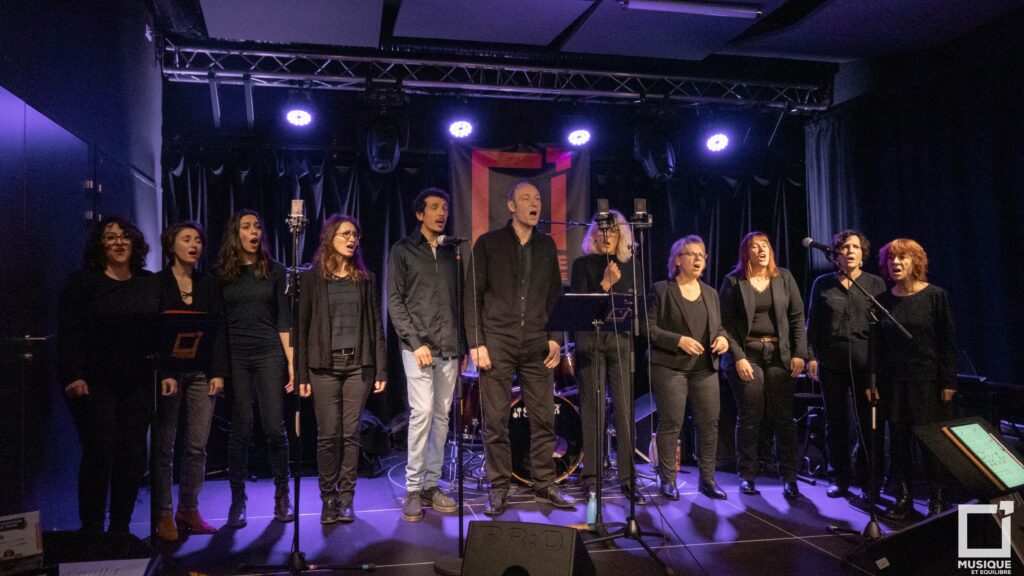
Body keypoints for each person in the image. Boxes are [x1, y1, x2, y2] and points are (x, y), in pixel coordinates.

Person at [465, 181, 576, 515]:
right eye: (526, 198)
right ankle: (499, 486)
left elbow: (556, 296)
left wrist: (556, 337)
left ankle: (545, 484)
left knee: (543, 418)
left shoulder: (545, 246)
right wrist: (476, 343)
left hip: (537, 343)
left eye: (538, 198)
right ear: (510, 205)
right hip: (497, 341)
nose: (534, 203)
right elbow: (472, 295)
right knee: (496, 420)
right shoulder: (488, 243)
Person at [58, 217, 154, 533]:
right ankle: (92, 530)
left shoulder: (147, 282)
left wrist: (164, 372)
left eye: (125, 235)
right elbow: (69, 334)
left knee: (132, 454)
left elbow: (158, 334)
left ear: (135, 243)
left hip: (137, 382)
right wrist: (73, 375)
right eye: (110, 236)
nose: (118, 241)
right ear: (100, 245)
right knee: (99, 451)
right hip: (94, 382)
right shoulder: (82, 283)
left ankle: (121, 530)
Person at [297, 214, 387, 524]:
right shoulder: (312, 278)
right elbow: (302, 326)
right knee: (328, 435)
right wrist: (300, 373)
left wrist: (381, 369)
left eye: (355, 235)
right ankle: (328, 499)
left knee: (351, 434)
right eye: (345, 234)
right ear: (329, 239)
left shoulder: (365, 278)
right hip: (323, 367)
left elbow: (376, 324)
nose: (352, 239)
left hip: (357, 366)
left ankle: (347, 498)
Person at [150, 221, 228, 540]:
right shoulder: (157, 284)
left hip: (200, 373)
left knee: (196, 446)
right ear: (172, 246)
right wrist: (164, 373)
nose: (194, 244)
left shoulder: (208, 283)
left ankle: (189, 509)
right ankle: (163, 514)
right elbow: (153, 334)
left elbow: (218, 330)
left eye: (198, 239)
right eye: (186, 239)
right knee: (164, 447)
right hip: (169, 374)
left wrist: (218, 373)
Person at [388, 188, 461, 522]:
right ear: (420, 214)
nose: (441, 213)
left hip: (449, 347)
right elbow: (395, 301)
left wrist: (465, 344)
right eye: (434, 207)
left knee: (442, 416)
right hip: (417, 347)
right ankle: (414, 488)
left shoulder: (451, 252)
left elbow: (460, 300)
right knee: (423, 413)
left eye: (444, 208)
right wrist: (415, 341)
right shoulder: (403, 250)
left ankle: (432, 484)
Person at [871, 238, 957, 519]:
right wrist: (872, 382)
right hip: (893, 383)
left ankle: (938, 499)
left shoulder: (935, 296)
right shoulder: (883, 301)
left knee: (931, 444)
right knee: (898, 442)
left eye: (902, 258)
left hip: (927, 382)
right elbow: (876, 347)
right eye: (891, 259)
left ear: (915, 262)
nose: (895, 263)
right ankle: (903, 498)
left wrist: (948, 382)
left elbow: (947, 342)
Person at [217, 209, 293, 527]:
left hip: (267, 353)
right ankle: (238, 501)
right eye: (246, 227)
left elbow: (283, 319)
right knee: (241, 429)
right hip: (235, 355)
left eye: (257, 226)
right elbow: (218, 325)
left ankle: (282, 496)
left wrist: (293, 363)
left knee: (274, 427)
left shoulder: (274, 271)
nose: (254, 231)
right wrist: (218, 369)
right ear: (236, 233)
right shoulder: (221, 274)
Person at [719, 231, 807, 498]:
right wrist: (739, 357)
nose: (761, 250)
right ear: (746, 253)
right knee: (750, 414)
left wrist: (800, 353)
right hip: (747, 354)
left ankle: (789, 477)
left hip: (780, 353)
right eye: (755, 247)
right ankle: (747, 475)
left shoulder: (784, 277)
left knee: (784, 417)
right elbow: (723, 325)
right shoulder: (734, 281)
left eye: (765, 245)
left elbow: (796, 317)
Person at [569, 210, 644, 503]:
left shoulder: (631, 265)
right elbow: (579, 308)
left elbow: (635, 305)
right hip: (591, 343)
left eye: (612, 232)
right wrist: (605, 284)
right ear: (593, 235)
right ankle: (592, 477)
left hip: (621, 343)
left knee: (624, 410)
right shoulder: (582, 265)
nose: (606, 236)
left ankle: (627, 478)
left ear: (621, 235)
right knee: (593, 408)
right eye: (601, 231)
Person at [805, 230, 886, 499]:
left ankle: (870, 481)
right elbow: (812, 325)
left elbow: (882, 331)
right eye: (844, 247)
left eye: (855, 247)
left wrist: (878, 369)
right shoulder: (822, 283)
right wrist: (811, 357)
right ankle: (839, 477)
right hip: (831, 364)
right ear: (835, 254)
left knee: (868, 424)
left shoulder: (875, 285)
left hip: (867, 365)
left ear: (863, 255)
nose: (849, 251)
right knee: (837, 423)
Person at [649, 235, 730, 500]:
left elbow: (718, 328)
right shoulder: (661, 290)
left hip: (704, 368)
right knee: (671, 422)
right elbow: (648, 329)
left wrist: (722, 339)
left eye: (701, 255)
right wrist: (679, 341)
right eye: (691, 254)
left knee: (709, 424)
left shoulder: (711, 293)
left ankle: (707, 479)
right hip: (670, 367)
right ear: (677, 259)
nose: (697, 259)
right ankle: (667, 480)